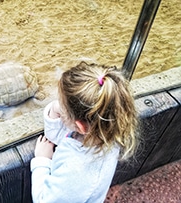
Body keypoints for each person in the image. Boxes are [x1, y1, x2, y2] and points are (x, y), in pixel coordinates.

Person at [30, 61, 138, 203]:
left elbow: (43, 200)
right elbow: (59, 137)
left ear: (80, 126)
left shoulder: (76, 172)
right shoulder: (107, 132)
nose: (58, 105)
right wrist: (55, 111)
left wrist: (42, 161)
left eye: (61, 105)